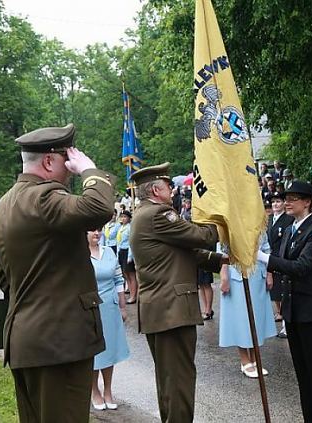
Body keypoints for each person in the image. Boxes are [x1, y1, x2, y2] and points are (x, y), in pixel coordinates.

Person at [0, 124, 116, 422]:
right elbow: (99, 207)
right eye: (67, 158)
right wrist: (90, 170)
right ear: (49, 161)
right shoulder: (44, 198)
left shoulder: (6, 204)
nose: (71, 168)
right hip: (58, 344)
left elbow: (4, 279)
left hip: (27, 340)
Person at [129, 162, 225, 423]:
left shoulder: (144, 214)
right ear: (156, 189)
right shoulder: (158, 215)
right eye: (168, 186)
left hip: (161, 310)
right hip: (171, 310)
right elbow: (202, 236)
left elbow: (184, 252)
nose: (172, 190)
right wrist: (221, 215)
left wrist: (221, 261)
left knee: (170, 385)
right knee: (179, 384)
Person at [266, 181, 312, 423]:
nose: (287, 202)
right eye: (286, 198)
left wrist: (266, 260)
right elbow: (284, 260)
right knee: (302, 374)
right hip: (294, 309)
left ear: (308, 202)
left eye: (293, 198)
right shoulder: (288, 228)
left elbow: (302, 267)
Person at [219, 233, 276, 378]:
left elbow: (266, 249)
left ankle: (256, 358)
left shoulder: (258, 220)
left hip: (258, 274)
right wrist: (224, 275)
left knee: (256, 319)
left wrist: (269, 273)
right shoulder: (229, 219)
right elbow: (222, 250)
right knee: (241, 318)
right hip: (237, 274)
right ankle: (245, 360)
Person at [87, 227, 129, 411]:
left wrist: (122, 306)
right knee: (94, 352)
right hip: (90, 309)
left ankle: (108, 391)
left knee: (110, 350)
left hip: (110, 307)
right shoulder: (79, 255)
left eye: (98, 230)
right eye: (91, 231)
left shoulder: (109, 251)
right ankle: (94, 391)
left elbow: (118, 279)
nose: (96, 233)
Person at [267, 190, 293, 336]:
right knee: (275, 292)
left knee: (283, 292)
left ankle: (286, 325)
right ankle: (280, 314)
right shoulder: (269, 218)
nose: (275, 204)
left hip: (282, 258)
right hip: (270, 259)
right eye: (273, 202)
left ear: (284, 204)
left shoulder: (288, 219)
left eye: (278, 201)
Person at [116, 210, 137, 303]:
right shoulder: (121, 227)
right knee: (125, 274)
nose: (123, 219)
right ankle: (130, 292)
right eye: (122, 217)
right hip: (121, 251)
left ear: (129, 218)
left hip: (128, 252)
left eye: (125, 217)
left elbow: (131, 243)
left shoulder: (130, 228)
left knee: (131, 274)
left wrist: (130, 256)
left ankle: (133, 295)